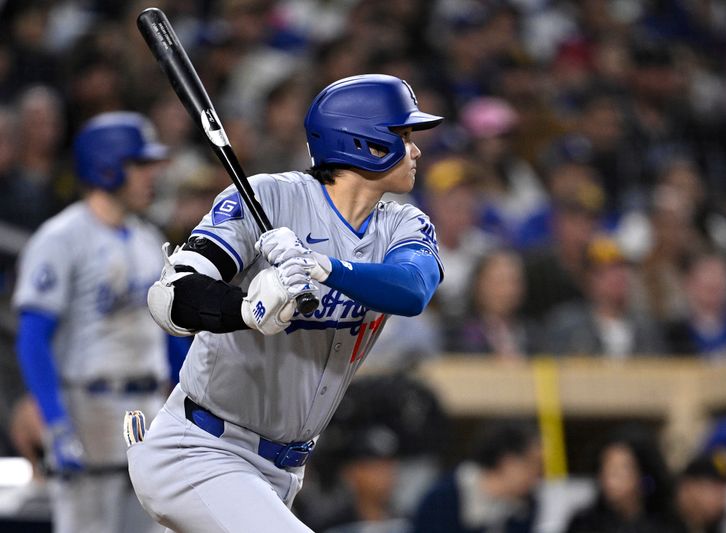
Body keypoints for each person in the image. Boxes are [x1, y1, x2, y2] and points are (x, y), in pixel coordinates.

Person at [126, 74, 444, 532]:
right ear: (365, 142)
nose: (415, 150)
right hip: (200, 449)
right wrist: (248, 310)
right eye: (404, 136)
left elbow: (412, 289)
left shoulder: (402, 223)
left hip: (283, 470)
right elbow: (173, 297)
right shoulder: (268, 198)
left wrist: (322, 266)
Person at [13, 112, 174, 533]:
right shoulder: (61, 237)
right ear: (106, 166)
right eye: (139, 165)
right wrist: (55, 423)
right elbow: (32, 338)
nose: (150, 175)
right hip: (88, 407)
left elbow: (171, 336)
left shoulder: (148, 238)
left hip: (149, 410)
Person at [411, 420, 542, 533]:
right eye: (534, 463)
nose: (538, 473)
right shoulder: (442, 500)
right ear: (507, 461)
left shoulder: (528, 506)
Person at [565, 427, 678, 533]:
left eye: (619, 470)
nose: (609, 478)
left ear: (641, 472)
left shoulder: (665, 524)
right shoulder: (584, 524)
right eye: (605, 468)